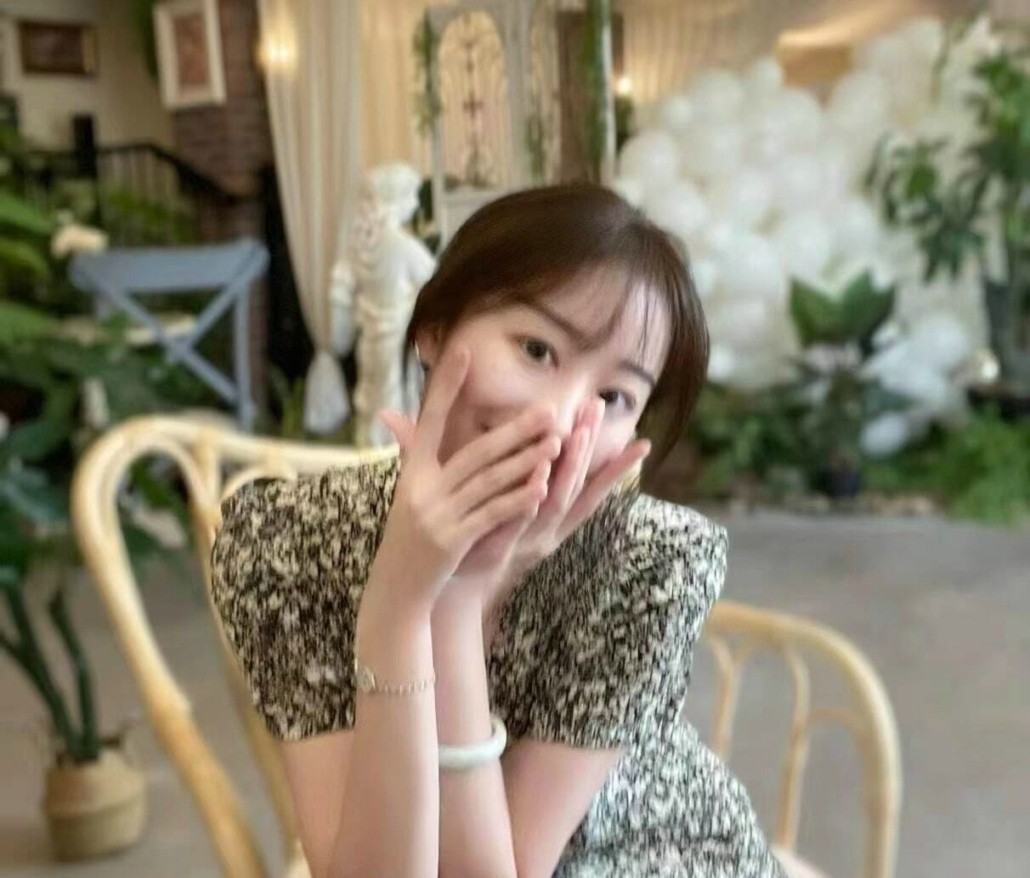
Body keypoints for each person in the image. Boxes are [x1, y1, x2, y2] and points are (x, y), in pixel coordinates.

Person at [211, 184, 783, 878]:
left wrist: (459, 598)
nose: (561, 421)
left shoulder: (649, 562)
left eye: (614, 396)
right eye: (537, 349)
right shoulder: (288, 543)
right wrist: (398, 603)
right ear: (434, 330)